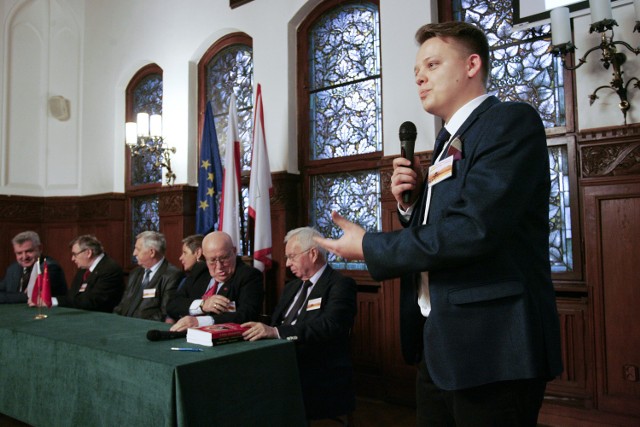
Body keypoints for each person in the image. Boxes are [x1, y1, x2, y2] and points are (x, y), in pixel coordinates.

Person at [315, 21, 563, 426]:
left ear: (471, 64)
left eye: (432, 64)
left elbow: (473, 230)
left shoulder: (508, 122)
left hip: (492, 345)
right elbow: (442, 227)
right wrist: (410, 208)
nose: (420, 78)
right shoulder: (447, 142)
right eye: (416, 72)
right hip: (438, 338)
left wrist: (371, 246)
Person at [242, 227, 357, 421]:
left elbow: (329, 326)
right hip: (279, 358)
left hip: (317, 367)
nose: (287, 264)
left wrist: (276, 332)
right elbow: (277, 322)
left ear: (313, 254)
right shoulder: (291, 287)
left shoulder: (340, 284)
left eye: (292, 256)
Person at [169, 231, 263, 331]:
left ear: (234, 251)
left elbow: (246, 315)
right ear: (204, 257)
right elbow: (172, 305)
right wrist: (202, 305)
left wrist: (199, 322)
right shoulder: (200, 270)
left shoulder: (249, 275)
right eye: (212, 260)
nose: (219, 267)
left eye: (224, 258)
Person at [114, 231, 183, 321]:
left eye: (138, 249)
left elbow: (164, 313)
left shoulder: (172, 275)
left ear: (152, 252)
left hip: (144, 328)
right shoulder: (135, 273)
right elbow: (123, 304)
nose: (134, 253)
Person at [55, 234, 124, 312]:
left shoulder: (110, 269)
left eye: (75, 254)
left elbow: (94, 302)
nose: (72, 259)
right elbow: (72, 295)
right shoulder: (83, 269)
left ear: (88, 253)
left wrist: (56, 301)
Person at [0, 231, 67, 304]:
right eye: (19, 253)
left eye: (29, 251)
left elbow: (32, 296)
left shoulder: (50, 268)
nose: (24, 257)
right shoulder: (13, 268)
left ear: (40, 248)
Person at [166, 235, 210, 320]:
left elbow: (174, 306)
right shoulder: (192, 275)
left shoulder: (199, 274)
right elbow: (172, 305)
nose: (180, 258)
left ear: (198, 253)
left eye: (185, 253)